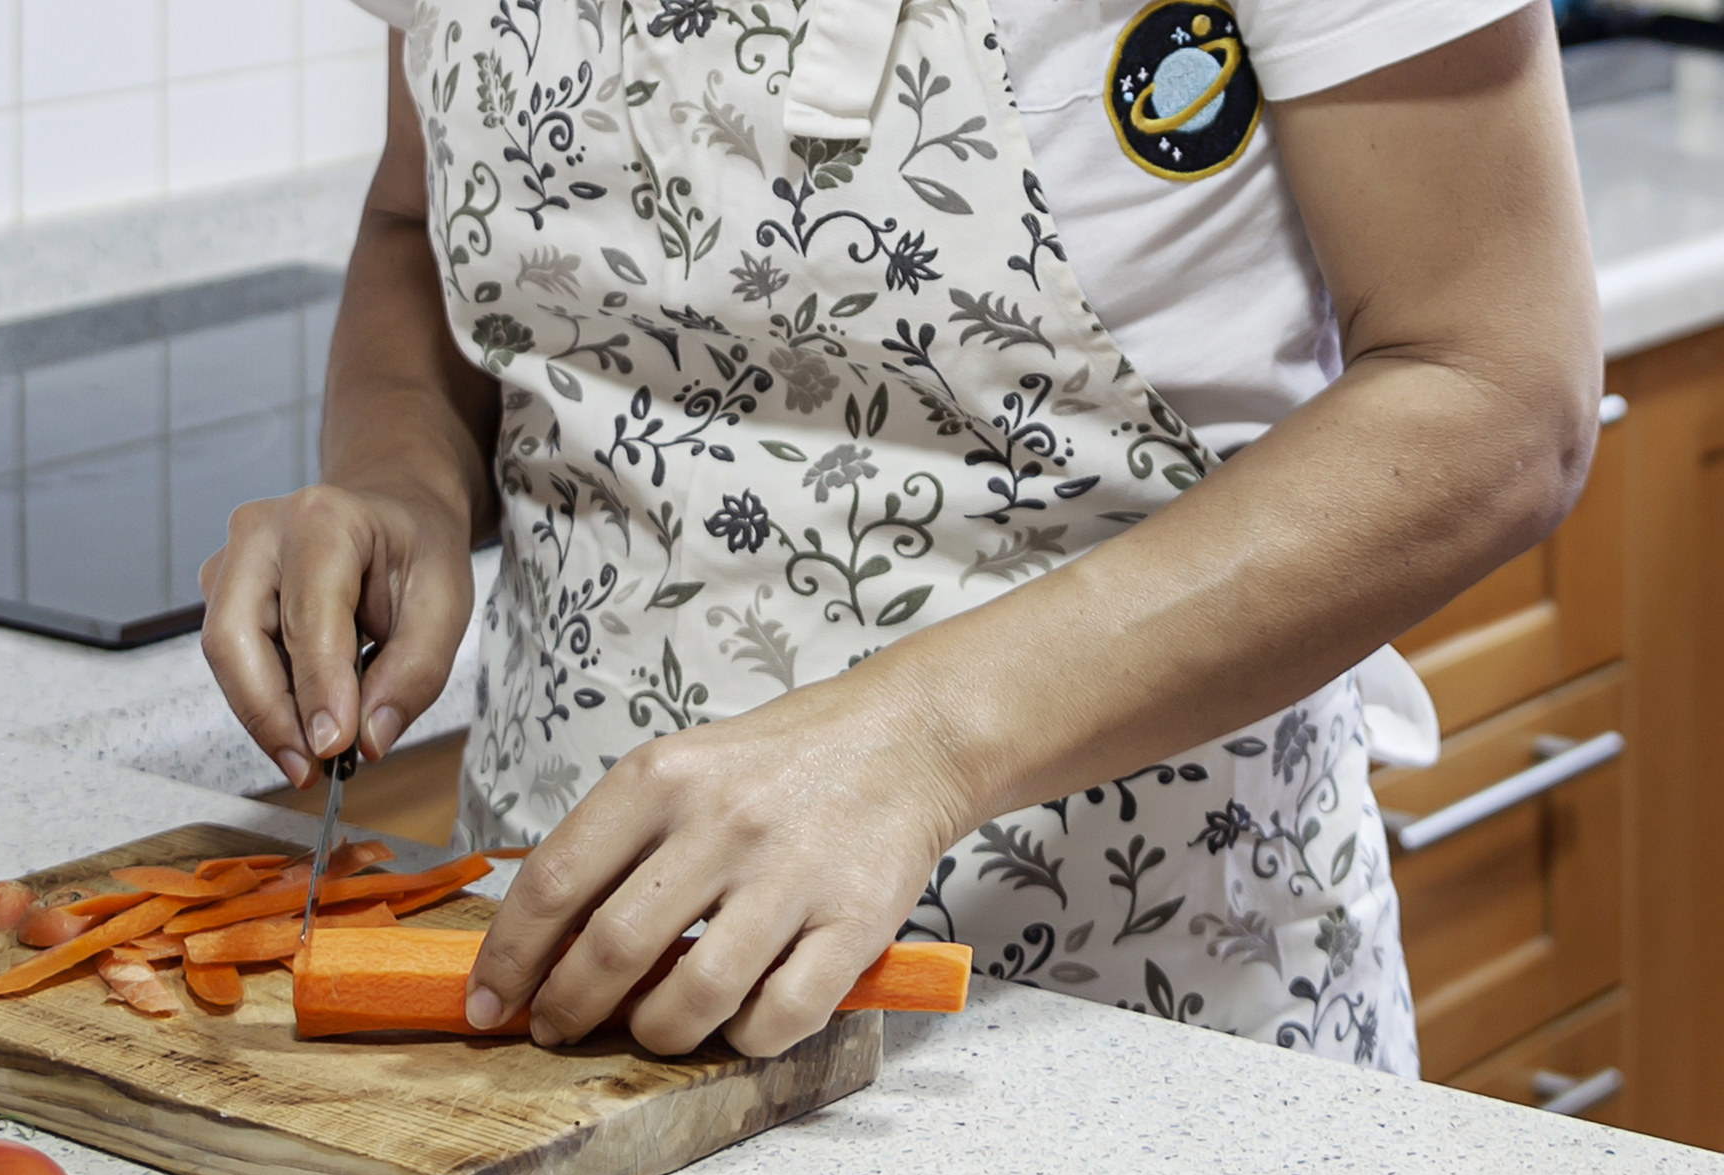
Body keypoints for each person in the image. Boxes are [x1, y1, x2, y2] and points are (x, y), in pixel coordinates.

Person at [200, 0, 1599, 1070]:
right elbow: (411, 219)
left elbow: (1494, 397)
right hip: (564, 994)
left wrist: (915, 744)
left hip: (1126, 1021)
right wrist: (402, 480)